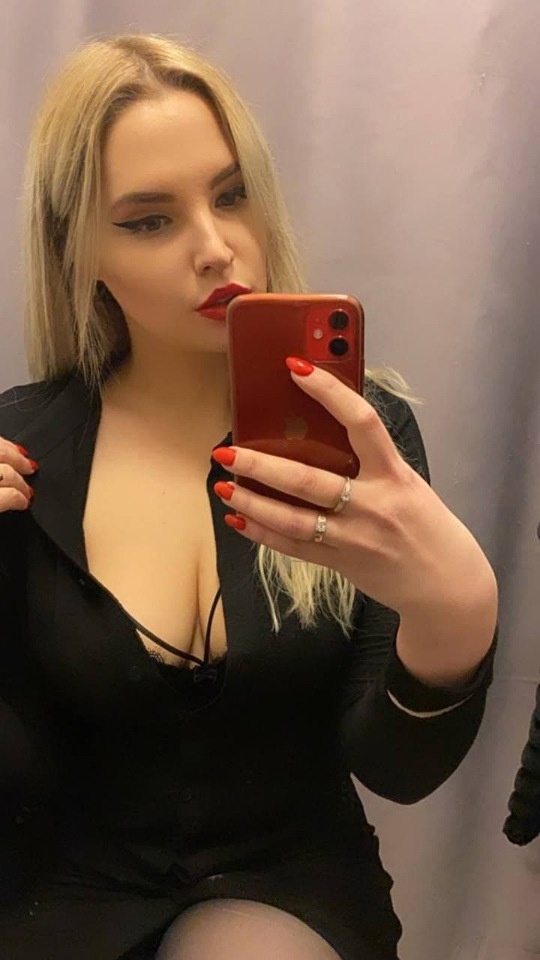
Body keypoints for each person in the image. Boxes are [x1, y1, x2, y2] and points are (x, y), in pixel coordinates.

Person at [0, 33, 499, 960]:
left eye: (231, 196)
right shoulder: (20, 453)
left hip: (288, 885)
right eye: (150, 220)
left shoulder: (358, 436)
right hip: (60, 889)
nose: (216, 247)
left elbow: (395, 768)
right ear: (79, 251)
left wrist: (455, 614)